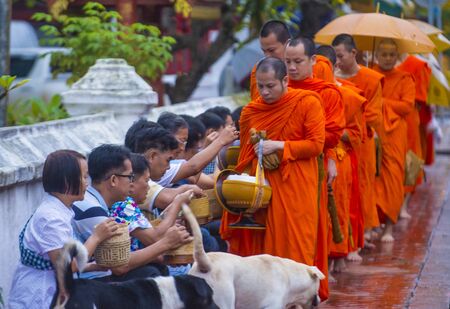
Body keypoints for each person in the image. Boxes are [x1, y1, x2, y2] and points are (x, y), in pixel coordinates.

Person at [221, 57, 325, 274]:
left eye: (270, 86)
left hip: (296, 183)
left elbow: (316, 145)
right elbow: (244, 154)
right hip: (263, 189)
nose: (265, 92)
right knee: (264, 251)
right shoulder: (251, 111)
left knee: (297, 244)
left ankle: (299, 299)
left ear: (285, 81)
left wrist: (278, 146)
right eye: (260, 86)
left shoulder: (307, 102)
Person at [9, 150, 120, 309]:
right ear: (68, 181)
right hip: (40, 296)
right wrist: (96, 237)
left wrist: (92, 266)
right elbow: (66, 267)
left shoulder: (60, 210)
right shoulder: (50, 218)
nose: (87, 183)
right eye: (83, 177)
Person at [72, 144, 192, 281]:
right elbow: (119, 265)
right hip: (89, 284)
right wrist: (167, 243)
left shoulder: (95, 202)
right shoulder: (93, 210)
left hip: (96, 275)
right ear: (113, 180)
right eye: (129, 177)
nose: (131, 183)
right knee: (150, 275)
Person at [285, 37, 345, 300]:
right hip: (278, 169)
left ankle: (308, 287)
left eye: (298, 62)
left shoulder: (326, 92)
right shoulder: (278, 87)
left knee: (308, 228)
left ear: (313, 61)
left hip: (310, 166)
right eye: (288, 62)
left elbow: (331, 134)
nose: (292, 68)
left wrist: (301, 141)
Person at [316, 45, 367, 271]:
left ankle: (336, 255)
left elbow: (357, 134)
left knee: (338, 209)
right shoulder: (303, 93)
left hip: (339, 156)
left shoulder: (348, 95)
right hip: (313, 156)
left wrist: (334, 130)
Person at [332, 34, 384, 245]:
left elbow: (373, 115)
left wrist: (348, 120)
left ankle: (360, 236)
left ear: (354, 53)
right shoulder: (332, 79)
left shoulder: (371, 79)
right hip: (339, 142)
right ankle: (349, 239)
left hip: (361, 142)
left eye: (341, 55)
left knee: (362, 188)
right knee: (344, 193)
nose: (337, 61)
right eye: (334, 56)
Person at [373, 39, 415, 242]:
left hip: (395, 135)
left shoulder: (405, 78)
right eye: (384, 54)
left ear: (397, 56)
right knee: (371, 180)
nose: (388, 58)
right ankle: (371, 226)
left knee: (392, 181)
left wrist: (381, 101)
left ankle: (388, 227)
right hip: (374, 133)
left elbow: (407, 107)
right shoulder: (370, 74)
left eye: (392, 55)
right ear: (377, 55)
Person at [125, 118, 202, 210]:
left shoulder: (145, 174)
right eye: (168, 160)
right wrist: (185, 190)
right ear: (152, 156)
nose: (169, 167)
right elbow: (193, 168)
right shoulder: (136, 180)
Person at [397, 55, 432, 218]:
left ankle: (403, 204)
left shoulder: (418, 65)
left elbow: (420, 98)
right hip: (385, 118)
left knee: (411, 159)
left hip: (408, 118)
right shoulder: (376, 63)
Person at [249, 20, 292, 100]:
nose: (267, 56)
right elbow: (258, 105)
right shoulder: (259, 69)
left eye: (271, 50)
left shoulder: (306, 66)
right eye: (264, 51)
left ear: (287, 44)